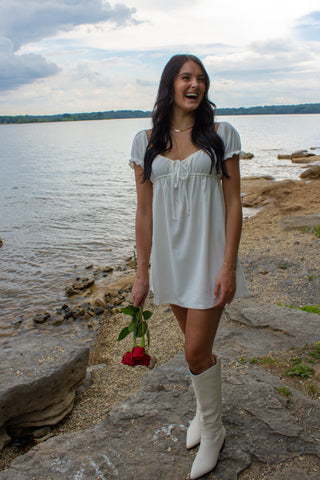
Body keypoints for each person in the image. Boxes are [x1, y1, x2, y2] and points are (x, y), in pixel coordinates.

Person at [129, 54, 249, 479]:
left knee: (194, 352)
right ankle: (204, 409)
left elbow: (234, 204)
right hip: (170, 260)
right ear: (171, 84)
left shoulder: (221, 134)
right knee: (196, 348)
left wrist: (229, 266)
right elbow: (144, 213)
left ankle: (212, 431)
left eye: (201, 78)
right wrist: (142, 271)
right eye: (186, 77)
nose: (194, 84)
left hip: (209, 258)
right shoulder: (146, 140)